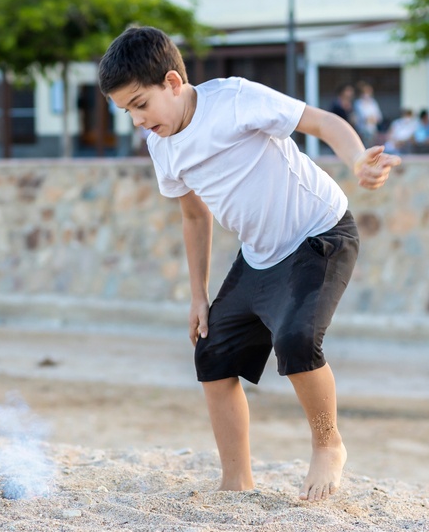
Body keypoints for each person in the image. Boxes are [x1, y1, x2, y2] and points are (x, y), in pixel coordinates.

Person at [98, 26, 401, 502]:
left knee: (297, 340)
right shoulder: (161, 142)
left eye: (140, 104)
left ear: (173, 83)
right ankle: (236, 482)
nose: (137, 120)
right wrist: (199, 295)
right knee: (212, 355)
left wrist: (359, 158)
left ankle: (328, 442)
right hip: (258, 256)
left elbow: (321, 122)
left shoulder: (236, 99)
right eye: (126, 111)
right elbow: (193, 214)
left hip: (319, 234)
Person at [353, 81, 383, 147]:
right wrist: (371, 119)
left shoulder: (373, 102)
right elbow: (363, 118)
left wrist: (372, 119)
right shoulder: (358, 103)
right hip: (362, 131)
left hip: (373, 130)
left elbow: (379, 117)